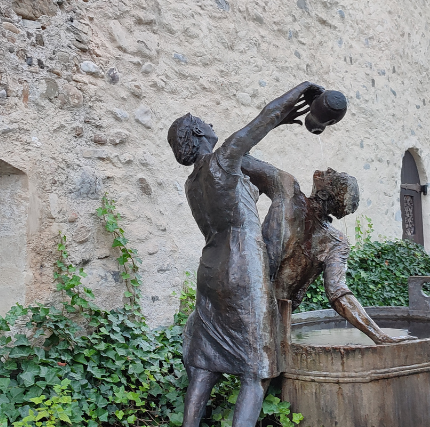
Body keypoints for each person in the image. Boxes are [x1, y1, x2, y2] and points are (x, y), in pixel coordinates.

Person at [167, 81, 324, 427]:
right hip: (242, 266)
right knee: (255, 370)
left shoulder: (192, 184)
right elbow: (263, 118)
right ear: (197, 132)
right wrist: (301, 90)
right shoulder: (222, 161)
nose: (210, 123)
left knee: (205, 364)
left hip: (210, 269)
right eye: (204, 121)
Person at [240, 159, 413, 344]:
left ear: (323, 194)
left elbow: (338, 293)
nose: (329, 169)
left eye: (333, 175)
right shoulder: (334, 240)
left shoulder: (288, 190)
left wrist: (378, 335)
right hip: (261, 308)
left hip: (254, 305)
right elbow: (239, 158)